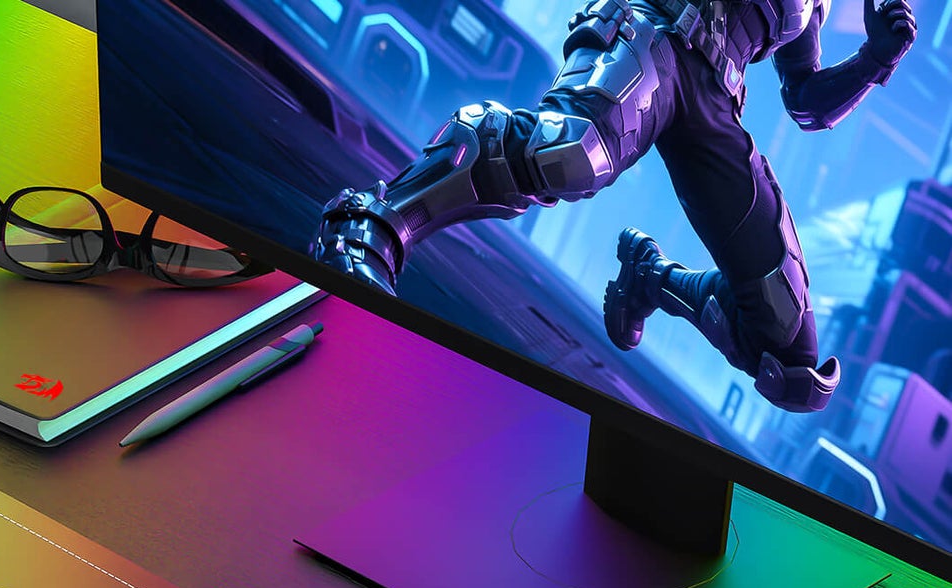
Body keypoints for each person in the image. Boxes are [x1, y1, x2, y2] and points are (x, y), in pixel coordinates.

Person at [312, 0, 917, 412]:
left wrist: (876, 58)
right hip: (651, 30)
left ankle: (652, 281)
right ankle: (373, 221)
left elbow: (806, 101)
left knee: (789, 353)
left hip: (714, 94)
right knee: (572, 152)